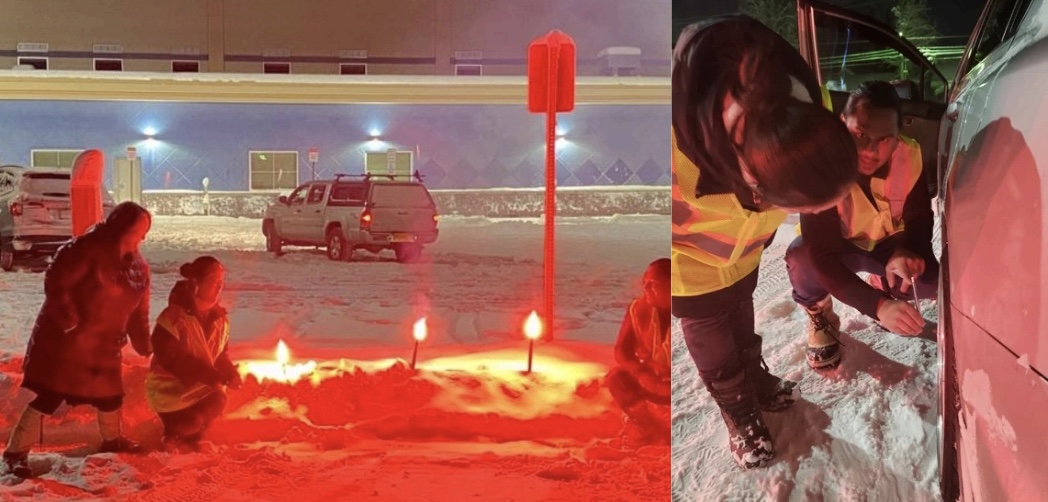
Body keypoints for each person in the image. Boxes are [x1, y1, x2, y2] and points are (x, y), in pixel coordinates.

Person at [672, 16, 861, 470]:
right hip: (689, 262)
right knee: (712, 337)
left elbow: (821, 245)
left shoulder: (806, 107)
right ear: (753, 185)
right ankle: (738, 413)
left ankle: (752, 380)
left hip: (745, 250)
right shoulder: (669, 139)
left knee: (740, 310)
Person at [785, 80, 937, 370]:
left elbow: (919, 217)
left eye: (884, 139)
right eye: (859, 134)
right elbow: (822, 255)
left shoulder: (909, 155)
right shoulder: (820, 163)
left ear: (898, 134)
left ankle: (883, 281)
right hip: (840, 247)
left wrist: (907, 251)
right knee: (802, 260)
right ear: (843, 122)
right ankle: (820, 314)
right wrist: (877, 307)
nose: (870, 150)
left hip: (888, 246)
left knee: (927, 278)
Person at [3, 202, 154, 478]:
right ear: (121, 227)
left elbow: (138, 310)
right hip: (66, 343)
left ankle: (112, 441)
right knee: (50, 396)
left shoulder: (137, 266)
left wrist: (144, 343)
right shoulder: (84, 248)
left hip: (105, 345)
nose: (141, 238)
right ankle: (16, 452)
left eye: (144, 232)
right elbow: (57, 284)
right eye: (138, 230)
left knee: (110, 396)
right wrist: (72, 324)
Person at [146, 256, 241, 453]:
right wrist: (211, 376)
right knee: (191, 421)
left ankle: (192, 437)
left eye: (221, 282)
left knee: (217, 402)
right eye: (213, 282)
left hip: (200, 386)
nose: (218, 287)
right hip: (169, 390)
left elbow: (221, 355)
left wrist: (229, 373)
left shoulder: (220, 319)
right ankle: (173, 435)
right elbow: (173, 359)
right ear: (196, 284)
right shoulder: (173, 317)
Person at [605, 258, 671, 446]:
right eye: (644, 283)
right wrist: (641, 373)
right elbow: (621, 351)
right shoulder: (639, 309)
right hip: (654, 379)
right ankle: (651, 429)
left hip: (682, 384)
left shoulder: (689, 310)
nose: (646, 288)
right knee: (617, 379)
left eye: (653, 284)